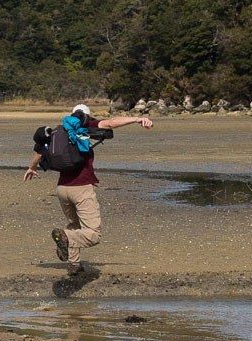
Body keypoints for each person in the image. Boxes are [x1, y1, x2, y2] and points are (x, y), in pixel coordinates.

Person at [23, 104, 154, 275]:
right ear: (87, 116)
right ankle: (65, 237)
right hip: (81, 188)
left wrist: (31, 168)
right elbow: (111, 123)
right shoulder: (86, 126)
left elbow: (40, 152)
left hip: (62, 189)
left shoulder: (58, 131)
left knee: (75, 226)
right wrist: (137, 119)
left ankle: (74, 265)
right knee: (92, 234)